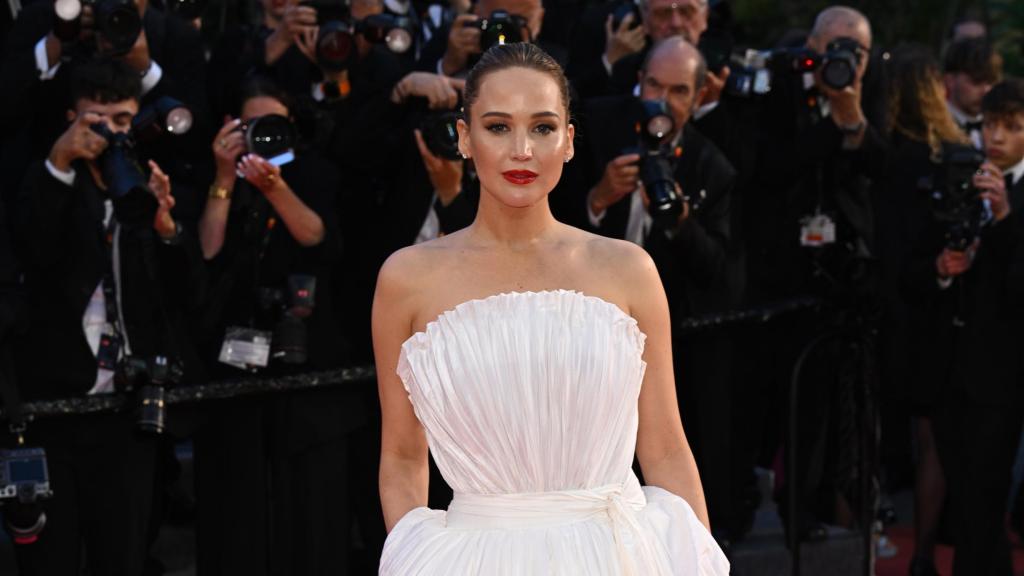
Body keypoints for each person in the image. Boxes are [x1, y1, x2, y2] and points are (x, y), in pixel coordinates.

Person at [372, 42, 728, 575]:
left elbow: (666, 446)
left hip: (619, 555)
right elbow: (402, 456)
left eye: (542, 127)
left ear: (568, 141)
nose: (522, 150)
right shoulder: (407, 279)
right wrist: (412, 556)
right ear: (465, 139)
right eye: (497, 127)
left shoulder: (628, 269)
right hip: (474, 559)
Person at [12, 57, 205, 576]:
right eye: (96, 121)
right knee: (48, 561)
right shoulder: (41, 180)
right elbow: (29, 255)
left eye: (122, 122)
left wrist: (166, 229)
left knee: (122, 555)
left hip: (127, 414)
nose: (110, 134)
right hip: (53, 410)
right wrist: (58, 162)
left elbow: (184, 297)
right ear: (72, 116)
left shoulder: (144, 189)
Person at [572, 35, 744, 544]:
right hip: (580, 340)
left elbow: (722, 276)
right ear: (637, 79)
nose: (661, 102)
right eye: (652, 84)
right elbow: (543, 226)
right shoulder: (592, 127)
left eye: (677, 91)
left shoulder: (712, 164)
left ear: (698, 98)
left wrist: (681, 223)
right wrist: (597, 200)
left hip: (671, 350)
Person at [872, 45, 971, 576]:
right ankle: (927, 551)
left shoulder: (881, 153)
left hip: (886, 311)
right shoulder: (951, 154)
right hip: (935, 309)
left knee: (881, 428)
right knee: (931, 432)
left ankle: (875, 532)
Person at [930, 78, 1024, 576]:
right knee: (966, 493)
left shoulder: (1015, 197)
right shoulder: (964, 177)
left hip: (1005, 374)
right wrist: (945, 271)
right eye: (990, 125)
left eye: (1012, 127)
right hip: (955, 365)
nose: (998, 137)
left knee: (983, 496)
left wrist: (1006, 219)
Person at [942, 37, 1002, 148]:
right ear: (950, 80)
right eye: (976, 82)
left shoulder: (1003, 128)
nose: (986, 91)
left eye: (991, 82)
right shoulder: (934, 128)